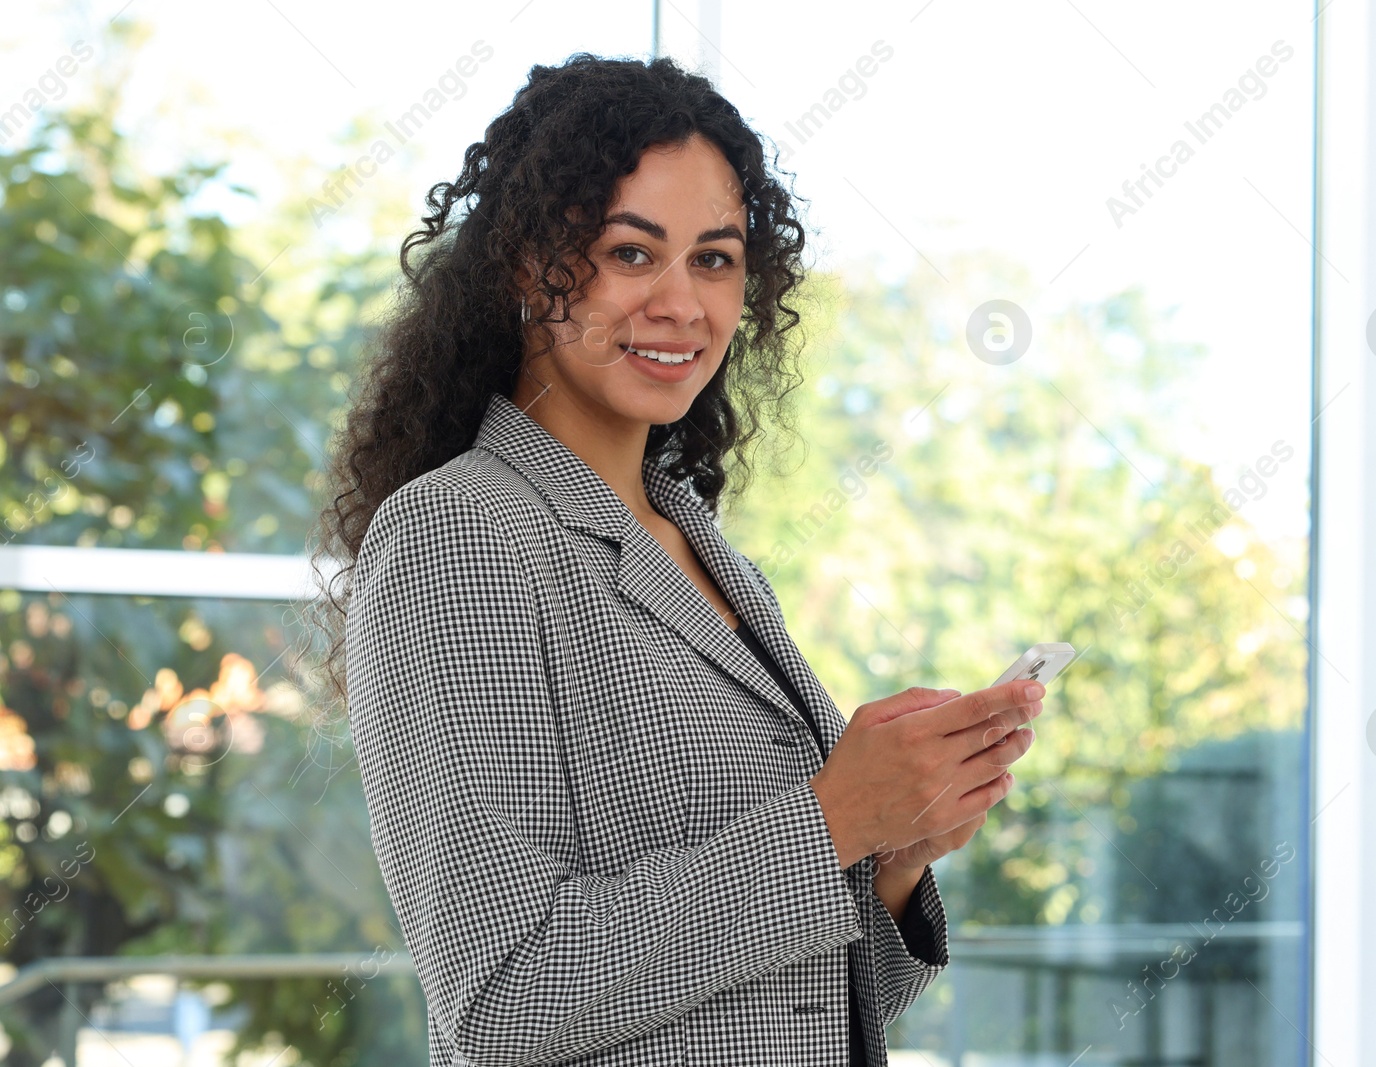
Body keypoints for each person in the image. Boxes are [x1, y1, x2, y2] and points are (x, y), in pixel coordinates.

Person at [312, 52, 1044, 1067]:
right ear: (529, 265)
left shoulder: (703, 549)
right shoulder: (461, 534)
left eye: (713, 259)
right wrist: (831, 820)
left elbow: (811, 1005)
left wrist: (891, 852)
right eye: (630, 252)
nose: (682, 303)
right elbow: (503, 997)